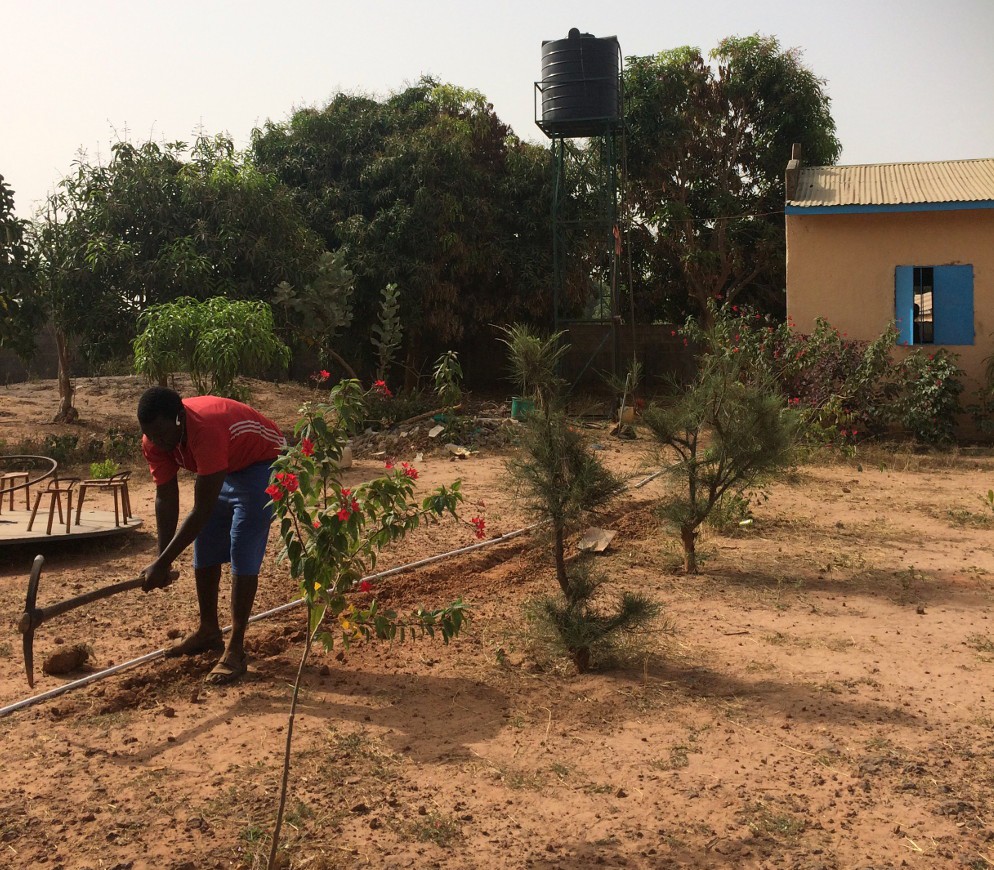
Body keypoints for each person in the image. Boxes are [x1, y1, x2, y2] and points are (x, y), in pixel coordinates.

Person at [137, 386, 286, 684]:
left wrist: (162, 564)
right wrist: (162, 557)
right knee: (205, 544)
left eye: (162, 434)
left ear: (179, 419)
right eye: (151, 436)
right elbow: (166, 497)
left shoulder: (206, 429)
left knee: (241, 546)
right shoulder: (154, 440)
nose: (158, 442)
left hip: (265, 462)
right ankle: (208, 630)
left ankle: (236, 649)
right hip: (230, 464)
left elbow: (201, 509)